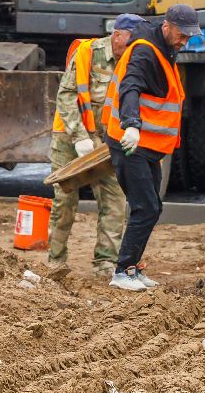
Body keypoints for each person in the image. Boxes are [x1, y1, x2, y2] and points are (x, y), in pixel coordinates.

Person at [102, 4, 203, 292]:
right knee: (145, 206)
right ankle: (122, 272)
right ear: (168, 26)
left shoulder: (163, 46)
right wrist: (131, 124)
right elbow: (130, 86)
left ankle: (132, 268)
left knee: (152, 207)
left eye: (189, 37)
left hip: (146, 146)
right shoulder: (146, 50)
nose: (185, 42)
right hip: (130, 143)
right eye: (182, 35)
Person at [45, 14, 139, 279]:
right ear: (118, 35)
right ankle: (56, 261)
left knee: (115, 198)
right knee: (65, 200)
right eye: (132, 39)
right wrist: (80, 137)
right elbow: (66, 96)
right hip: (70, 138)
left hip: (107, 143)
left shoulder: (133, 60)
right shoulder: (88, 53)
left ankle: (105, 263)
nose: (136, 45)